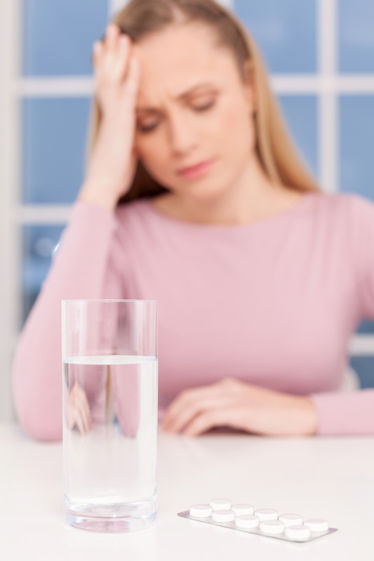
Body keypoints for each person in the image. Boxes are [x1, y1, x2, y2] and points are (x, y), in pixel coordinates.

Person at [12, 0, 374, 441]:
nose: (181, 141)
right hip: (169, 506)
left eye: (201, 104)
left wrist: (310, 414)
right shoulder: (118, 241)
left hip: (313, 504)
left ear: (249, 87)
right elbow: (45, 416)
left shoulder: (347, 229)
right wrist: (100, 186)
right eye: (148, 123)